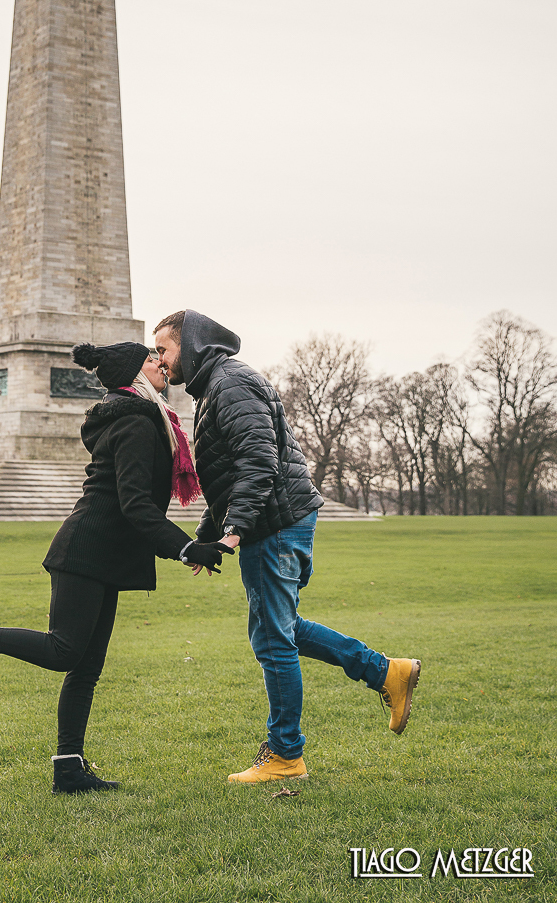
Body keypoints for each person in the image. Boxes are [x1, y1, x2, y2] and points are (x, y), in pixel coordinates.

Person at [0, 339, 233, 795]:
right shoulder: (137, 423)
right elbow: (135, 506)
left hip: (103, 555)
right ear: (135, 373)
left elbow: (136, 506)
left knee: (86, 667)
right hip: (86, 550)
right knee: (65, 651)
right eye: (152, 358)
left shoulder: (144, 417)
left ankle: (68, 767)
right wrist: (186, 549)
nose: (162, 363)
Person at [153, 309, 421, 784]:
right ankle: (387, 673)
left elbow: (258, 462)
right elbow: (226, 473)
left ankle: (285, 755)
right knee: (285, 628)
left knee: (274, 640)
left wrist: (234, 529)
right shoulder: (217, 386)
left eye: (165, 349)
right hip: (275, 524)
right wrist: (206, 535)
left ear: (190, 345)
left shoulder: (230, 385)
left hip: (273, 526)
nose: (161, 360)